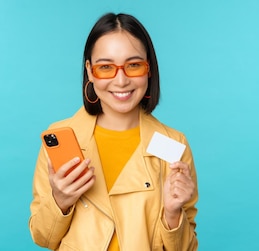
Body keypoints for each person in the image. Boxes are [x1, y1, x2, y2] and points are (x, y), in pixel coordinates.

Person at [29, 13, 198, 251]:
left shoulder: (172, 144)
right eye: (106, 67)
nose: (121, 81)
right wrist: (60, 202)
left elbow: (186, 248)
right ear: (89, 71)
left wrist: (173, 215)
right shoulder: (60, 137)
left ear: (148, 69)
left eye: (134, 65)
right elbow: (42, 237)